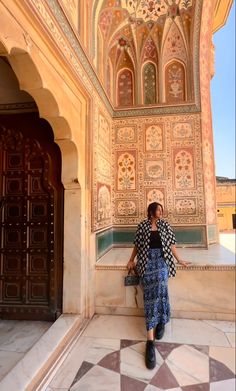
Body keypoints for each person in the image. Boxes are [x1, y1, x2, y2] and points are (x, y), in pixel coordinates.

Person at [126, 202, 192, 369]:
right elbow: (137, 245)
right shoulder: (142, 225)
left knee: (162, 289)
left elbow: (171, 244)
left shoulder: (165, 225)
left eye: (162, 210)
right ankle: (150, 342)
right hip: (146, 263)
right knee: (149, 296)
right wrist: (131, 260)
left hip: (162, 262)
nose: (161, 212)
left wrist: (179, 260)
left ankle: (161, 321)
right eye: (158, 209)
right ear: (151, 211)